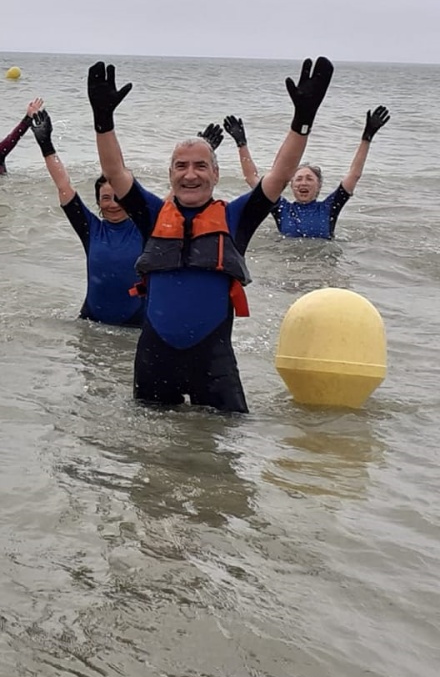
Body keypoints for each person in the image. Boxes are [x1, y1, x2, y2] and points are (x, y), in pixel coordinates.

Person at [90, 56, 334, 413]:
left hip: (213, 362)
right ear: (171, 173)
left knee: (224, 454)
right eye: (182, 166)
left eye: (201, 165)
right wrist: (103, 121)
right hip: (155, 359)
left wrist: (302, 120)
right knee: (148, 454)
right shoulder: (153, 213)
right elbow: (114, 171)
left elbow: (279, 176)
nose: (191, 174)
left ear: (216, 174)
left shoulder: (236, 217)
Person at [31, 102, 144, 326]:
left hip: (136, 326)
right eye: (105, 198)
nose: (113, 204)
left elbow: (175, 198)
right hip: (91, 323)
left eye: (118, 197)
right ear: (98, 203)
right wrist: (46, 145)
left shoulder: (146, 225)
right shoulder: (91, 228)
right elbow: (63, 186)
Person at [221, 108, 390, 239]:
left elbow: (354, 175)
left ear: (318, 186)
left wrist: (366, 138)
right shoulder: (280, 208)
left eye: (309, 179)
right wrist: (241, 143)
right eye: (299, 179)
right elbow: (252, 179)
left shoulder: (330, 207)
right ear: (291, 185)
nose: (303, 183)